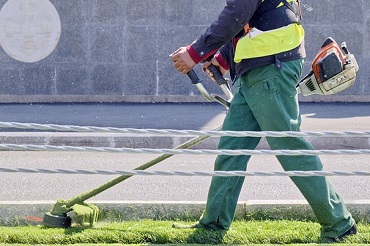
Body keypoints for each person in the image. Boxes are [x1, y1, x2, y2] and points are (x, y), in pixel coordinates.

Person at [169, 0, 357, 242]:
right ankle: (213, 225)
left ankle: (339, 223)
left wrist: (195, 53)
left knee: (289, 146)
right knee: (232, 148)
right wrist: (224, 57)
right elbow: (252, 16)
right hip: (259, 67)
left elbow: (237, 12)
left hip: (271, 67)